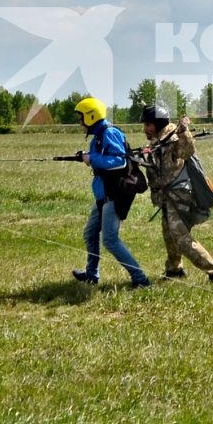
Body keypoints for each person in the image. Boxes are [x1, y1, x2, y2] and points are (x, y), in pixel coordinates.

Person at [139, 105, 213, 283]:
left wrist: (184, 130)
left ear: (158, 124)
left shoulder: (173, 138)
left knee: (181, 237)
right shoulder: (157, 140)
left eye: (148, 125)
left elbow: (187, 151)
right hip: (166, 197)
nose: (145, 129)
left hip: (179, 195)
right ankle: (174, 269)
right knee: (169, 233)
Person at [68, 97, 150, 288]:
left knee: (110, 240)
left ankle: (140, 279)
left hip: (115, 193)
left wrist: (92, 158)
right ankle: (91, 275)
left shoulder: (109, 133)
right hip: (103, 194)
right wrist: (85, 158)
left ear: (91, 116)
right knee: (90, 233)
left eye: (81, 118)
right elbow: (100, 159)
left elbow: (119, 162)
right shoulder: (97, 136)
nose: (80, 122)